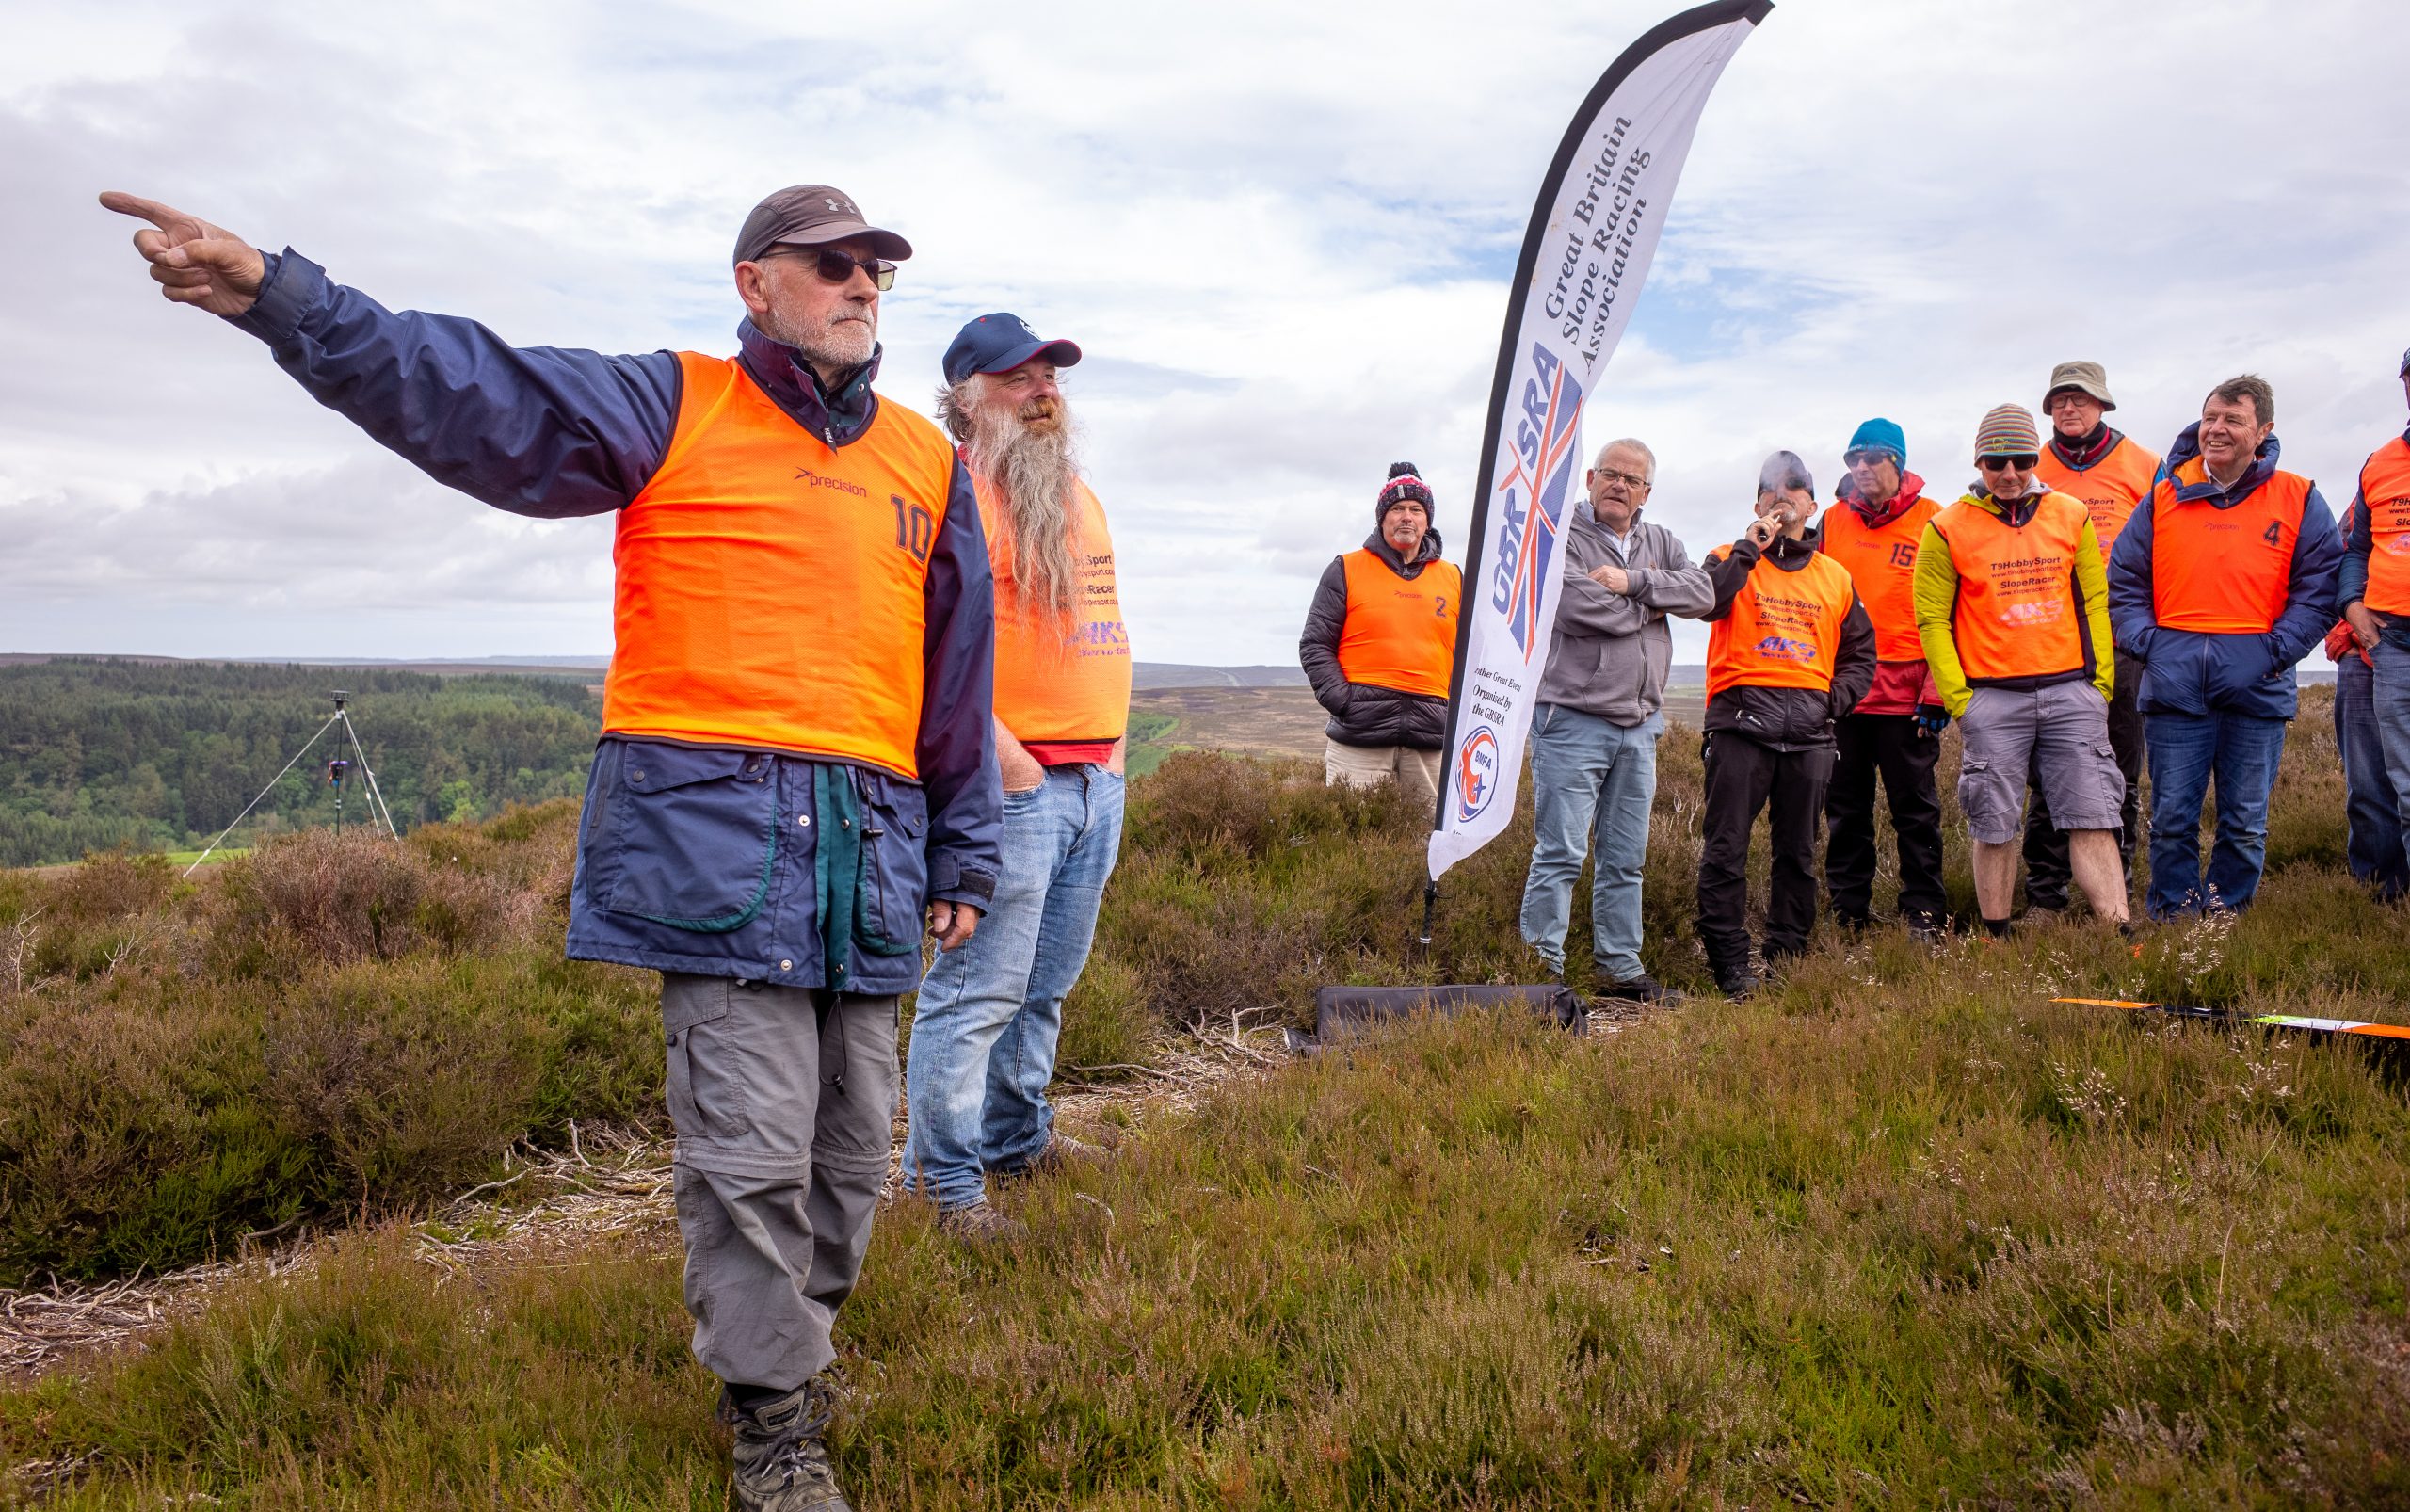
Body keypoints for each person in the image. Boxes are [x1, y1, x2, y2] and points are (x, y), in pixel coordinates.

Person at [101, 184, 1002, 1512]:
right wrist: (284, 301)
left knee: (853, 1153)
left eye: (875, 268)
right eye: (831, 266)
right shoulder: (672, 402)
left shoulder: (930, 461)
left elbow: (956, 670)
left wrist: (963, 853)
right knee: (750, 1157)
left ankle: (793, 1360)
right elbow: (474, 391)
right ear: (757, 284)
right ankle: (774, 1425)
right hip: (722, 849)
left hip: (867, 853)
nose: (862, 285)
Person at [902, 314, 1129, 1240]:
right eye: (1018, 378)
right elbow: (916, 646)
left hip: (1094, 781)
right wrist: (1008, 760)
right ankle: (946, 1189)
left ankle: (1017, 1141)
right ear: (965, 398)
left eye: (1050, 377)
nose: (1043, 391)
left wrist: (1107, 754)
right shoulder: (946, 492)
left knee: (1044, 987)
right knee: (976, 992)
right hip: (1011, 786)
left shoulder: (1073, 491)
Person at [2110, 376, 2341, 919]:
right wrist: (2152, 646)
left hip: (2258, 684)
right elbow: (2123, 580)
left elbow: (2321, 585)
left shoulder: (2299, 496)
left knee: (2243, 822)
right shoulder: (2164, 496)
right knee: (2171, 819)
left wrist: (2272, 652)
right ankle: (2174, 920)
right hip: (2173, 683)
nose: (2217, 429)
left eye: (2233, 420)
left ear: (2263, 431)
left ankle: (2225, 921)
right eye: (2211, 416)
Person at [1913, 404, 2129, 937]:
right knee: (1994, 823)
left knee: (2094, 816)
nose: (2010, 474)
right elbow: (1932, 620)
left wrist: (2099, 685)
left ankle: (2120, 935)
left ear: (2037, 457)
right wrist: (1963, 700)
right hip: (1993, 701)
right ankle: (1997, 936)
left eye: (2023, 460)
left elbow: (2093, 601)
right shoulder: (1945, 529)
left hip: (2071, 693)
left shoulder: (2070, 514)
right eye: (1997, 461)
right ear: (1979, 460)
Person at [1518, 438, 1711, 1001]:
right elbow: (1578, 608)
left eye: (1631, 479)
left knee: (1626, 858)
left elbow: (1702, 592)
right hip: (1573, 720)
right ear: (1589, 479)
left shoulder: (1660, 541)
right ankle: (1542, 975)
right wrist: (1656, 602)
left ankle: (1620, 970)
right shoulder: (1558, 538)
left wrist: (1634, 583)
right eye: (1610, 474)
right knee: (1561, 852)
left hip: (1639, 724)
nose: (1619, 485)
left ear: (1646, 492)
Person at [1695, 452, 1875, 998]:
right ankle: (1731, 968)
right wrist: (1751, 547)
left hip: (1810, 736)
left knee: (1797, 854)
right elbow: (1708, 603)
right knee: (1726, 850)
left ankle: (1786, 963)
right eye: (1773, 488)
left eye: (1797, 488)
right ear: (1757, 504)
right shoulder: (1730, 557)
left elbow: (1862, 654)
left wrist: (1832, 702)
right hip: (1740, 727)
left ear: (1813, 506)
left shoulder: (1836, 577)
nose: (1784, 495)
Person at [2027, 362, 2160, 909]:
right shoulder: (2028, 466)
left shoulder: (2146, 465)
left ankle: (2116, 889)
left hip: (2122, 632)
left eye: (2080, 399)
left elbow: (2166, 547)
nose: (2069, 409)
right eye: (2060, 400)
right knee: (2047, 765)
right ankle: (2045, 894)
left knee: (2119, 761)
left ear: (2102, 405)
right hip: (2047, 633)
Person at [1813, 418, 1947, 939]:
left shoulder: (1936, 520)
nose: (1861, 468)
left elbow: (1950, 609)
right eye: (1853, 459)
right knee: (1845, 811)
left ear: (1898, 461)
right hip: (1845, 694)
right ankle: (1849, 913)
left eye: (1872, 458)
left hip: (1908, 697)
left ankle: (1925, 914)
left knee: (1914, 811)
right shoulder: (1831, 521)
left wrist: (1937, 691)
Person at [1299, 464, 1461, 812]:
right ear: (1381, 519)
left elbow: (1473, 653)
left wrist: (1454, 714)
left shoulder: (1453, 578)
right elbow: (1315, 643)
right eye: (1397, 510)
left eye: (1416, 510)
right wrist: (1345, 702)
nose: (1406, 517)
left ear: (1427, 520)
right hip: (1360, 737)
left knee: (1427, 841)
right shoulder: (1347, 567)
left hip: (1430, 737)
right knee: (1353, 838)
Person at [2333, 347, 2410, 896]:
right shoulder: (2379, 464)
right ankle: (2383, 887)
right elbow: (2352, 548)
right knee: (2382, 782)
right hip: (2382, 646)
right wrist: (2351, 607)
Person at [2329, 494, 2408, 899]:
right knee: (2368, 782)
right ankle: (2382, 888)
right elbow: (2338, 562)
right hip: (2363, 657)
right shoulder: (2377, 490)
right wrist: (2350, 628)